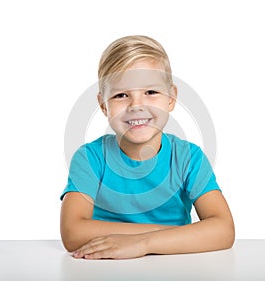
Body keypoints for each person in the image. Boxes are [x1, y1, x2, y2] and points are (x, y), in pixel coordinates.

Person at [60, 35, 235, 259]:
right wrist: (184, 236)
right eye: (121, 95)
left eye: (151, 92)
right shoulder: (90, 158)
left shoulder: (188, 158)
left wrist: (142, 243)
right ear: (103, 105)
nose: (136, 106)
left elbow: (224, 230)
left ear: (171, 98)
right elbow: (73, 233)